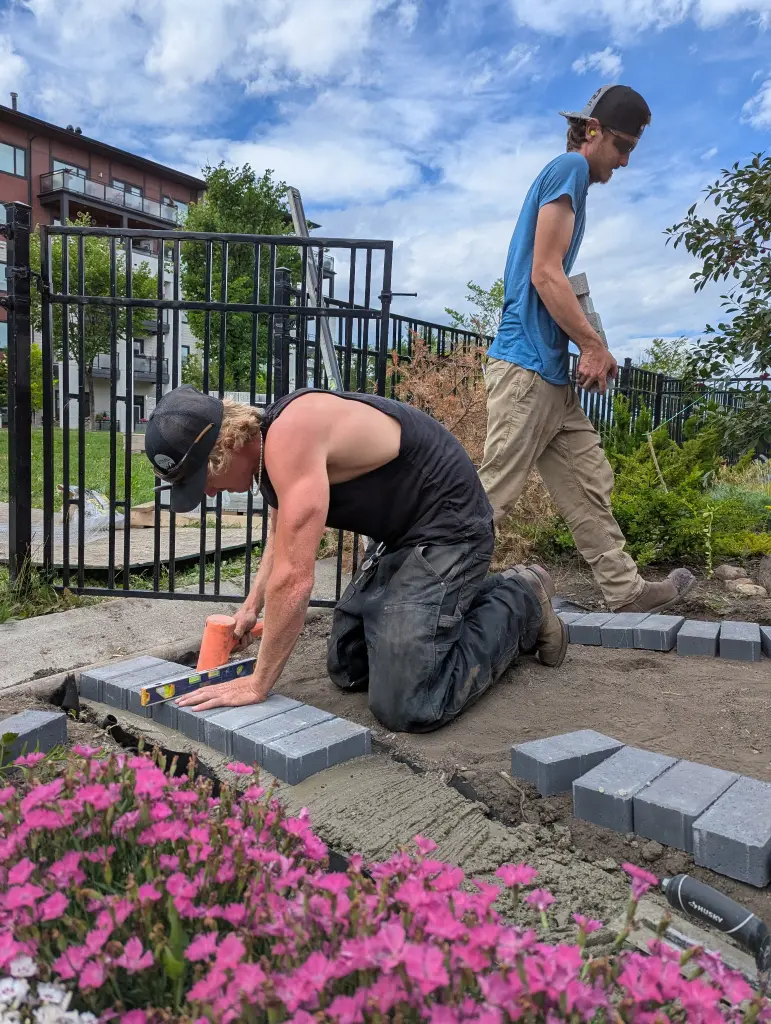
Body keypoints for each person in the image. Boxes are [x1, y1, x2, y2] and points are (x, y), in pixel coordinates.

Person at [144, 384, 569, 733]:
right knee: (349, 665)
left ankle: (521, 598)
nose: (208, 493)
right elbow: (279, 537)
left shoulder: (291, 435)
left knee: (408, 702)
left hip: (451, 530)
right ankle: (450, 605)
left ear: (228, 445)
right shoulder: (269, 453)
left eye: (203, 479)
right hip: (401, 538)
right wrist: (251, 607)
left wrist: (258, 684)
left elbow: (295, 581)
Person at [478, 84, 694, 613]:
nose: (624, 162)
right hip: (525, 369)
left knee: (588, 479)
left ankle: (625, 590)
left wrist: (589, 344)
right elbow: (545, 274)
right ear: (593, 131)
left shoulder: (574, 182)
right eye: (623, 147)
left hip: (550, 375)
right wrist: (593, 346)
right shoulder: (569, 168)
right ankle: (420, 596)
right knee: (491, 497)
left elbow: (556, 280)